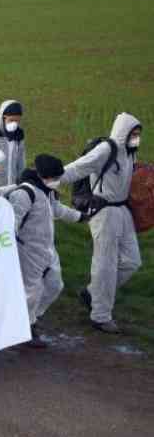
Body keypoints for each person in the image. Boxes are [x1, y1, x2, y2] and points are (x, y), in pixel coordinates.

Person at [59, 113, 143, 334]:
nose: (136, 138)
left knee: (132, 261)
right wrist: (48, 180)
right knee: (104, 265)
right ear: (123, 132)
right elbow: (79, 167)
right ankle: (100, 316)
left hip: (123, 211)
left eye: (138, 134)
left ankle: (92, 293)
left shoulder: (130, 153)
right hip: (104, 211)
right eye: (133, 134)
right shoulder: (107, 150)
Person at [0, 155, 86, 345]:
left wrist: (80, 217)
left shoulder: (47, 191)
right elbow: (13, 222)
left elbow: (57, 210)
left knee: (55, 285)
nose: (57, 182)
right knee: (32, 290)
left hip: (47, 248)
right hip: (27, 249)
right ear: (43, 176)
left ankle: (31, 318)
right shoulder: (24, 194)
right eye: (54, 178)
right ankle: (24, 328)